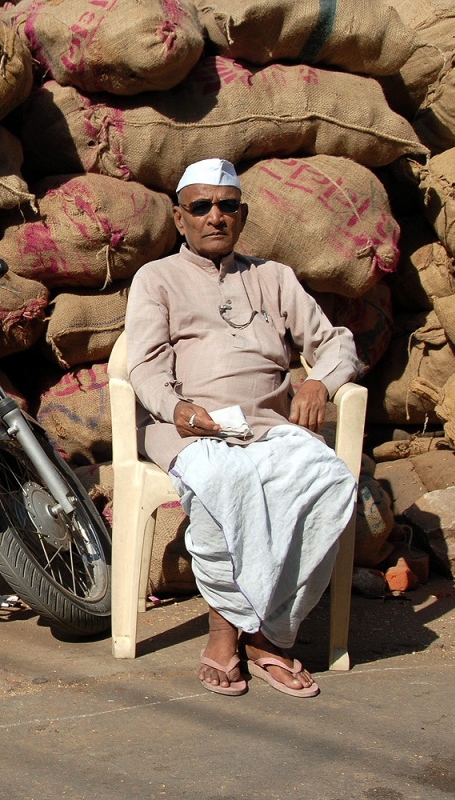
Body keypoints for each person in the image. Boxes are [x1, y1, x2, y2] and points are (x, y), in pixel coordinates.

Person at [123, 158, 362, 698]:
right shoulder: (156, 278)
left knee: (328, 479)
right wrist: (176, 408)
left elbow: (336, 342)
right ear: (179, 218)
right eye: (201, 207)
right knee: (222, 484)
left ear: (243, 215)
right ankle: (224, 629)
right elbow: (144, 364)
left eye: (227, 206)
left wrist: (318, 382)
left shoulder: (273, 277)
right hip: (188, 427)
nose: (215, 217)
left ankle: (271, 631)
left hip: (267, 424)